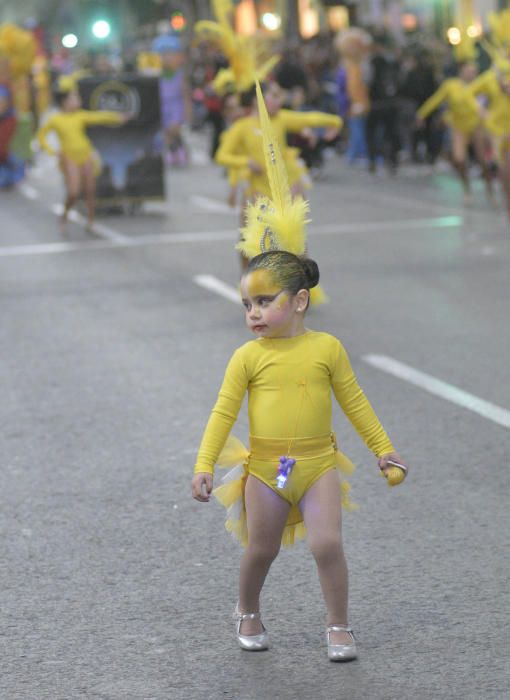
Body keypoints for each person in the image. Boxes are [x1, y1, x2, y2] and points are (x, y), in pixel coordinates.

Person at [191, 82, 408, 662]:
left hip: (317, 462)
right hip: (266, 466)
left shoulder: (327, 348)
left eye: (265, 302)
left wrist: (383, 450)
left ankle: (338, 624)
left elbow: (356, 402)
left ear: (300, 302)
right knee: (260, 548)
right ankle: (248, 608)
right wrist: (205, 465)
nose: (254, 313)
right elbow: (223, 411)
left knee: (327, 544)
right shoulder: (247, 358)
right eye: (248, 304)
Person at [36, 81, 129, 233]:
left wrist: (117, 117)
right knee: (73, 191)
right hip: (69, 156)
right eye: (74, 98)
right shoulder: (56, 119)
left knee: (90, 190)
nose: (77, 101)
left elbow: (99, 117)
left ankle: (91, 221)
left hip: (85, 154)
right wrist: (53, 151)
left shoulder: (80, 116)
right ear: (65, 102)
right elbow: (41, 136)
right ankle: (64, 215)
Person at [416, 61, 493, 202]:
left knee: (483, 160)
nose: (471, 74)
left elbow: (493, 100)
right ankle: (466, 189)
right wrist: (422, 114)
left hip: (477, 126)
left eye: (474, 72)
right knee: (460, 159)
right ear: (461, 71)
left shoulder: (481, 85)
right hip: (459, 127)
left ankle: (489, 187)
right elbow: (436, 100)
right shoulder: (451, 85)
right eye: (469, 71)